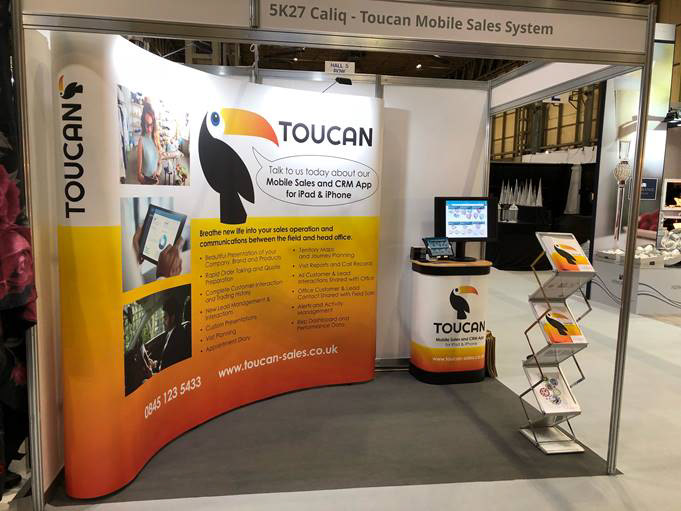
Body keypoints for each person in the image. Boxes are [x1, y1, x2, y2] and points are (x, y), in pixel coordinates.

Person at [158, 296, 191, 371]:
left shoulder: (178, 339)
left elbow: (168, 368)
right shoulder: (171, 333)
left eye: (165, 318)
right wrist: (156, 364)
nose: (163, 322)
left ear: (172, 318)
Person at [137, 101, 162, 185]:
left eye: (151, 125)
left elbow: (160, 163)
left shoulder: (156, 138)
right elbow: (139, 176)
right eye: (146, 125)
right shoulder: (141, 141)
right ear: (143, 123)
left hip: (155, 180)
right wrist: (145, 180)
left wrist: (157, 174)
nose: (149, 129)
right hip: (146, 182)